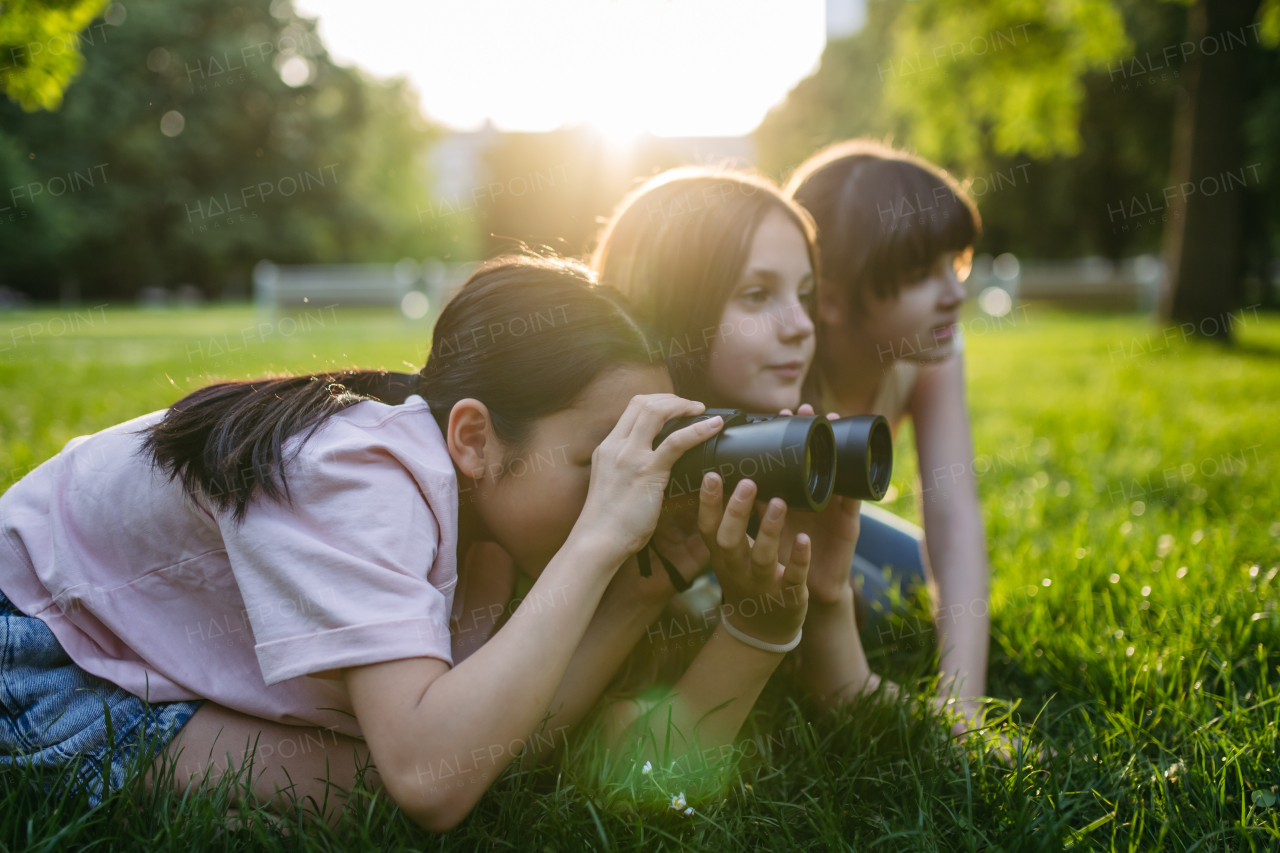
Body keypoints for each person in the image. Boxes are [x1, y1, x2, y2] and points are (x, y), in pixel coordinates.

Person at [0, 255, 813, 830]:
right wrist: (600, 539)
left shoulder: (481, 513)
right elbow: (431, 776)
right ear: (474, 438)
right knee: (374, 795)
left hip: (121, 647)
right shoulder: (359, 475)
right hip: (39, 654)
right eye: (597, 459)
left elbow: (495, 738)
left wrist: (647, 583)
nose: (624, 485)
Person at [592, 168, 881, 707]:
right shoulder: (608, 486)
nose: (801, 324)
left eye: (805, 294)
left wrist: (827, 598)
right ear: (669, 311)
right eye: (756, 295)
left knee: (890, 586)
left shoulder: (778, 462)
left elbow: (850, 697)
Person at [786, 139, 990, 728]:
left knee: (906, 590)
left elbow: (953, 517)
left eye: (954, 263)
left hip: (834, 522)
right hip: (770, 533)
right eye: (920, 275)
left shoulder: (932, 356)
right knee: (868, 600)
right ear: (831, 301)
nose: (955, 292)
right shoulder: (786, 363)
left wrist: (963, 707)